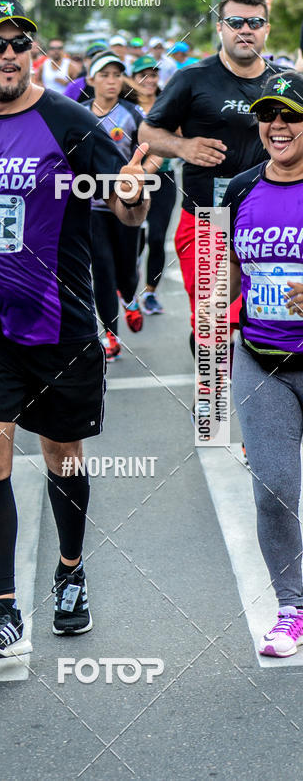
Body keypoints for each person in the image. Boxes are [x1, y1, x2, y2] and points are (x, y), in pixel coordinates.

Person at [0, 0, 151, 660]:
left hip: (61, 321)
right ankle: (3, 609)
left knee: (61, 455)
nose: (10, 55)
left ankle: (70, 570)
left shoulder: (67, 119)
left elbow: (123, 202)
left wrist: (131, 202)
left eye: (20, 44)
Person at [139, 0, 278, 368]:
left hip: (270, 221)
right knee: (213, 319)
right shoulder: (192, 79)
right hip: (208, 218)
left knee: (272, 314)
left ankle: (263, 400)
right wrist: (183, 148)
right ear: (220, 27)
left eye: (254, 22)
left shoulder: (283, 81)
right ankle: (213, 410)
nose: (244, 30)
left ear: (266, 29)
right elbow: (148, 134)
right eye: (235, 22)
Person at [222, 71, 303, 657]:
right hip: (261, 358)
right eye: (268, 116)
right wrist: (212, 331)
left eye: (291, 116)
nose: (278, 126)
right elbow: (224, 270)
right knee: (273, 488)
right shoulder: (242, 187)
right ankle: (291, 607)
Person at [83, 52, 157, 360]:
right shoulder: (78, 114)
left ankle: (130, 298)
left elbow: (155, 152)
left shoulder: (132, 113)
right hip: (92, 207)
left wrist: (140, 177)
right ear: (91, 80)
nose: (111, 81)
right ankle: (110, 335)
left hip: (127, 206)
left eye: (116, 75)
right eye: (104, 75)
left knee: (127, 271)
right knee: (102, 269)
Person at [130, 55, 177, 315]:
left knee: (157, 237)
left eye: (153, 74)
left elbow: (174, 139)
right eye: (142, 75)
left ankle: (150, 293)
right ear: (134, 78)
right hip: (131, 179)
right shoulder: (125, 105)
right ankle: (128, 288)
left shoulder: (167, 103)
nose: (148, 80)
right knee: (135, 238)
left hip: (163, 179)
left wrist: (150, 167)